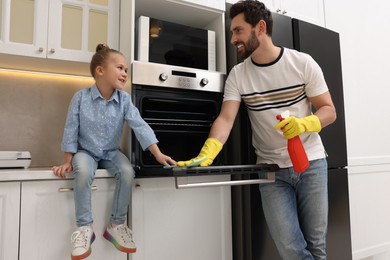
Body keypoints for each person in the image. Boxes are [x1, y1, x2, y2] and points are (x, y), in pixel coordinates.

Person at [177, 1, 336, 259]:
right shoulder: (238, 75)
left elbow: (329, 110)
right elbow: (226, 119)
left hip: (311, 164)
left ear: (260, 27)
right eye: (232, 32)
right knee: (291, 250)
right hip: (272, 172)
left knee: (316, 247)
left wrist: (305, 123)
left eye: (238, 31)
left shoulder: (302, 63)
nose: (232, 39)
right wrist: (209, 151)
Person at [52, 43, 176, 260]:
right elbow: (70, 130)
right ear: (100, 71)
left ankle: (116, 225)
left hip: (111, 152)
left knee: (127, 172)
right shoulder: (80, 98)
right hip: (86, 152)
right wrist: (67, 160)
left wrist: (157, 153)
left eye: (126, 70)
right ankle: (84, 228)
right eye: (119, 68)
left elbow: (140, 125)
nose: (124, 73)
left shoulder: (124, 100)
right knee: (82, 172)